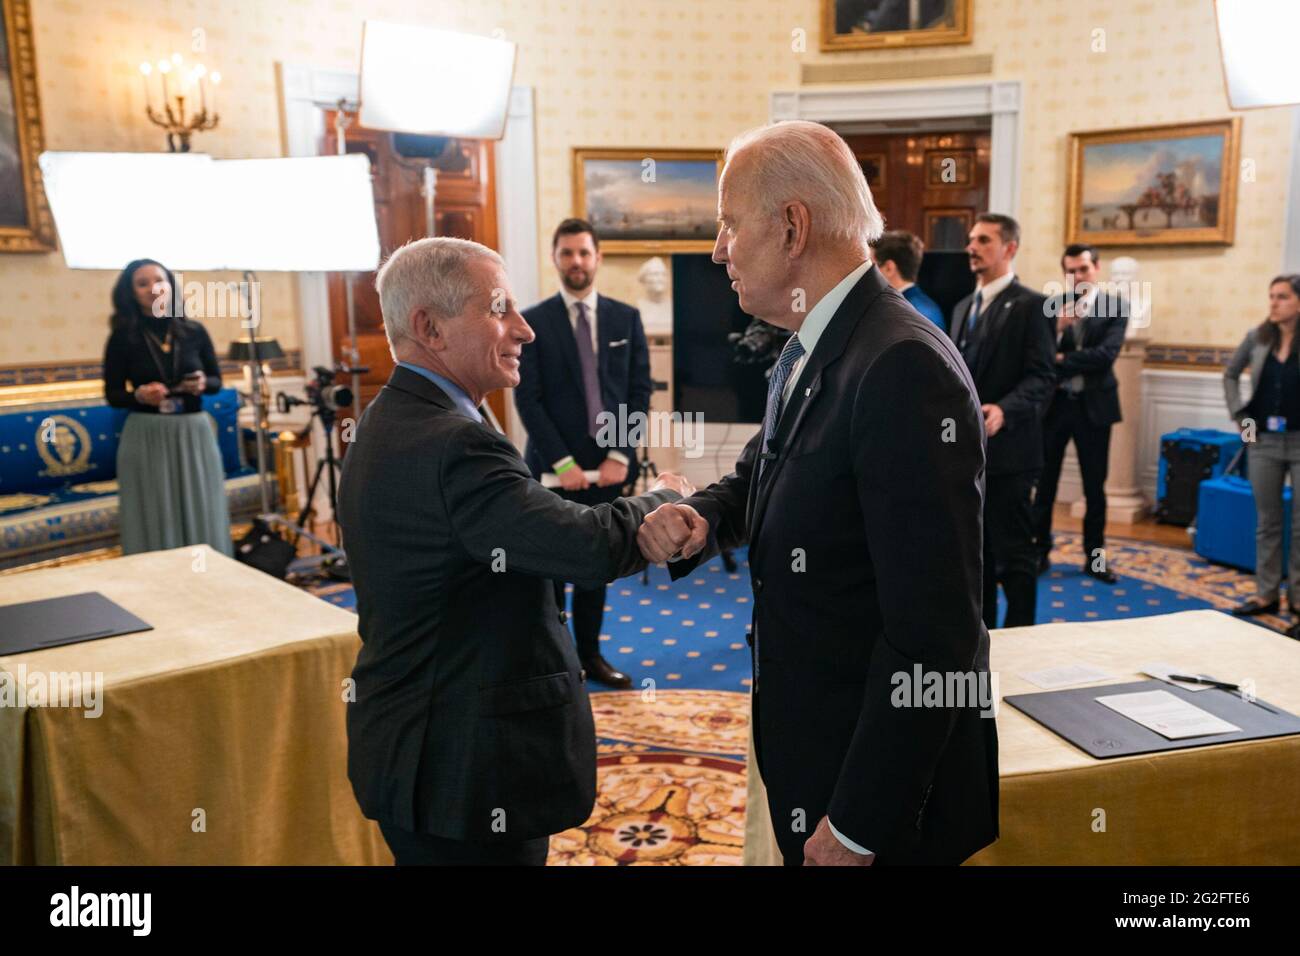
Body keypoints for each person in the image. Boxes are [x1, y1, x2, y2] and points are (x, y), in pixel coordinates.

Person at [637, 121, 998, 865]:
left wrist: (862, 822)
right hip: (819, 743)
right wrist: (705, 518)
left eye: (729, 224)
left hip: (875, 793)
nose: (717, 249)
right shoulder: (817, 339)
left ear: (792, 226)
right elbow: (768, 473)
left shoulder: (900, 365)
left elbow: (936, 635)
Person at [336, 237, 690, 866]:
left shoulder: (388, 420)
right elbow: (587, 549)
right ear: (429, 327)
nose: (524, 330)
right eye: (500, 309)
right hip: (465, 768)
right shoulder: (454, 444)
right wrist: (657, 497)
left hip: (420, 749)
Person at [515, 219, 653, 689]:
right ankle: (554, 664)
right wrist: (564, 463)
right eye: (567, 253)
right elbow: (527, 400)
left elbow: (637, 392)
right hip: (554, 471)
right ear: (555, 258)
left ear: (597, 258)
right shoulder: (532, 322)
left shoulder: (625, 318)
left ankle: (591, 654)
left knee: (595, 566)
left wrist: (620, 452)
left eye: (584, 253)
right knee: (550, 569)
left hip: (609, 468)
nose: (576, 261)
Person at [948, 214, 1054, 629]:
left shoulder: (1032, 305)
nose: (971, 247)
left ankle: (1022, 634)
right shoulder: (961, 308)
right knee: (978, 555)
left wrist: (1005, 409)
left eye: (984, 240)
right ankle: (986, 636)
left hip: (1011, 453)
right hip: (966, 454)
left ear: (1010, 248)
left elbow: (1044, 377)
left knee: (1014, 556)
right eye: (971, 239)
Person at [102, 258, 231, 556]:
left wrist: (201, 383)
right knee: (156, 508)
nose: (153, 288)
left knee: (200, 503)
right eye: (142, 283)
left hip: (193, 433)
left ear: (170, 285)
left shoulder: (194, 331)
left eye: (159, 280)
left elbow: (216, 382)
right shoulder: (122, 337)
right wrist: (139, 396)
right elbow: (112, 394)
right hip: (148, 435)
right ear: (130, 293)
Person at [1031, 243, 1128, 584]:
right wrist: (1057, 331)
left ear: (1096, 269)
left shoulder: (1116, 307)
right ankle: (1039, 552)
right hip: (1054, 408)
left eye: (1084, 269)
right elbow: (1038, 358)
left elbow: (1105, 356)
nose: (1078, 276)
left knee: (1094, 489)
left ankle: (1095, 559)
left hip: (1094, 409)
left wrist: (1061, 359)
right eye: (1071, 271)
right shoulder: (1050, 307)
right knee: (1044, 486)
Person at [1224, 274, 1300, 634]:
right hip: (1264, 441)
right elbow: (1230, 374)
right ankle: (1266, 593)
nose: (1273, 303)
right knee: (1268, 521)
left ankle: (1298, 600)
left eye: (1282, 297)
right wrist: (1242, 419)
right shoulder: (1258, 337)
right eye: (1271, 296)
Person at [871, 229, 946, 331]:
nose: (868, 273)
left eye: (872, 266)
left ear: (889, 268)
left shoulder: (909, 312)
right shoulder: (925, 306)